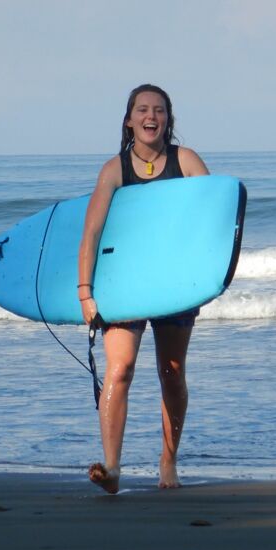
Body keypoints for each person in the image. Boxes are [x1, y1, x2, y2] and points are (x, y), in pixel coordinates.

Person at [77, 84, 209, 494]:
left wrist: (204, 276)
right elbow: (92, 231)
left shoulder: (184, 161)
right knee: (121, 369)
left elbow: (211, 215)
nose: (151, 117)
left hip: (173, 283)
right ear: (129, 119)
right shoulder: (114, 169)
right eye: (142, 110)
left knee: (171, 374)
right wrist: (86, 291)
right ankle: (113, 468)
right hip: (125, 282)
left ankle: (168, 461)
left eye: (159, 110)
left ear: (168, 120)